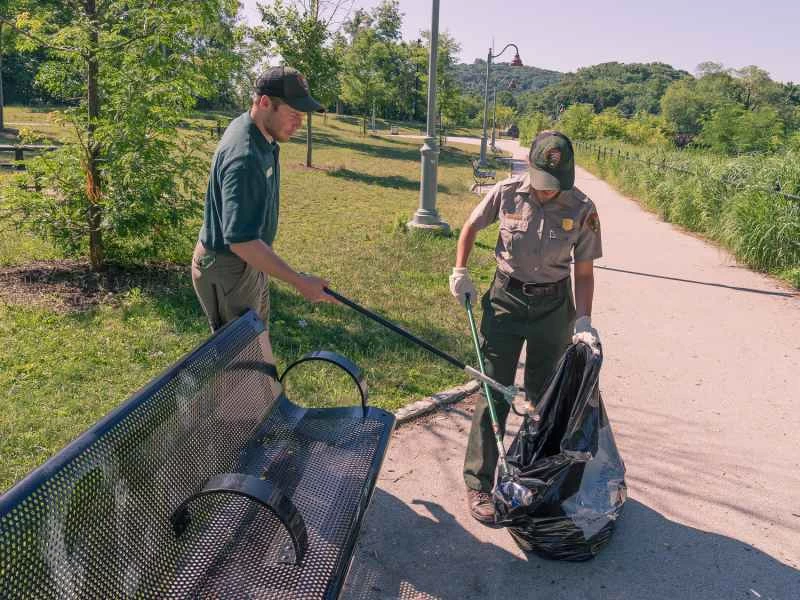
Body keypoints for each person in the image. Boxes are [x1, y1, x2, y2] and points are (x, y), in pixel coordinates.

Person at [449, 130, 602, 524]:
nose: (548, 192)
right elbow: (470, 225)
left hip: (554, 306)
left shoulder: (583, 207)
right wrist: (460, 270)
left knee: (545, 398)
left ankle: (536, 479)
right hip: (506, 300)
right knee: (492, 388)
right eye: (542, 183)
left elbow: (583, 272)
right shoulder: (506, 192)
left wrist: (583, 319)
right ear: (530, 168)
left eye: (557, 185)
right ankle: (478, 483)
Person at [191, 66, 335, 339]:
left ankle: (264, 384)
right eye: (293, 114)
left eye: (302, 116)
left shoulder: (260, 135)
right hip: (230, 266)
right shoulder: (244, 157)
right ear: (265, 102)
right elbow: (241, 241)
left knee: (257, 344)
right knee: (240, 361)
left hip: (249, 261)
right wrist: (299, 282)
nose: (299, 123)